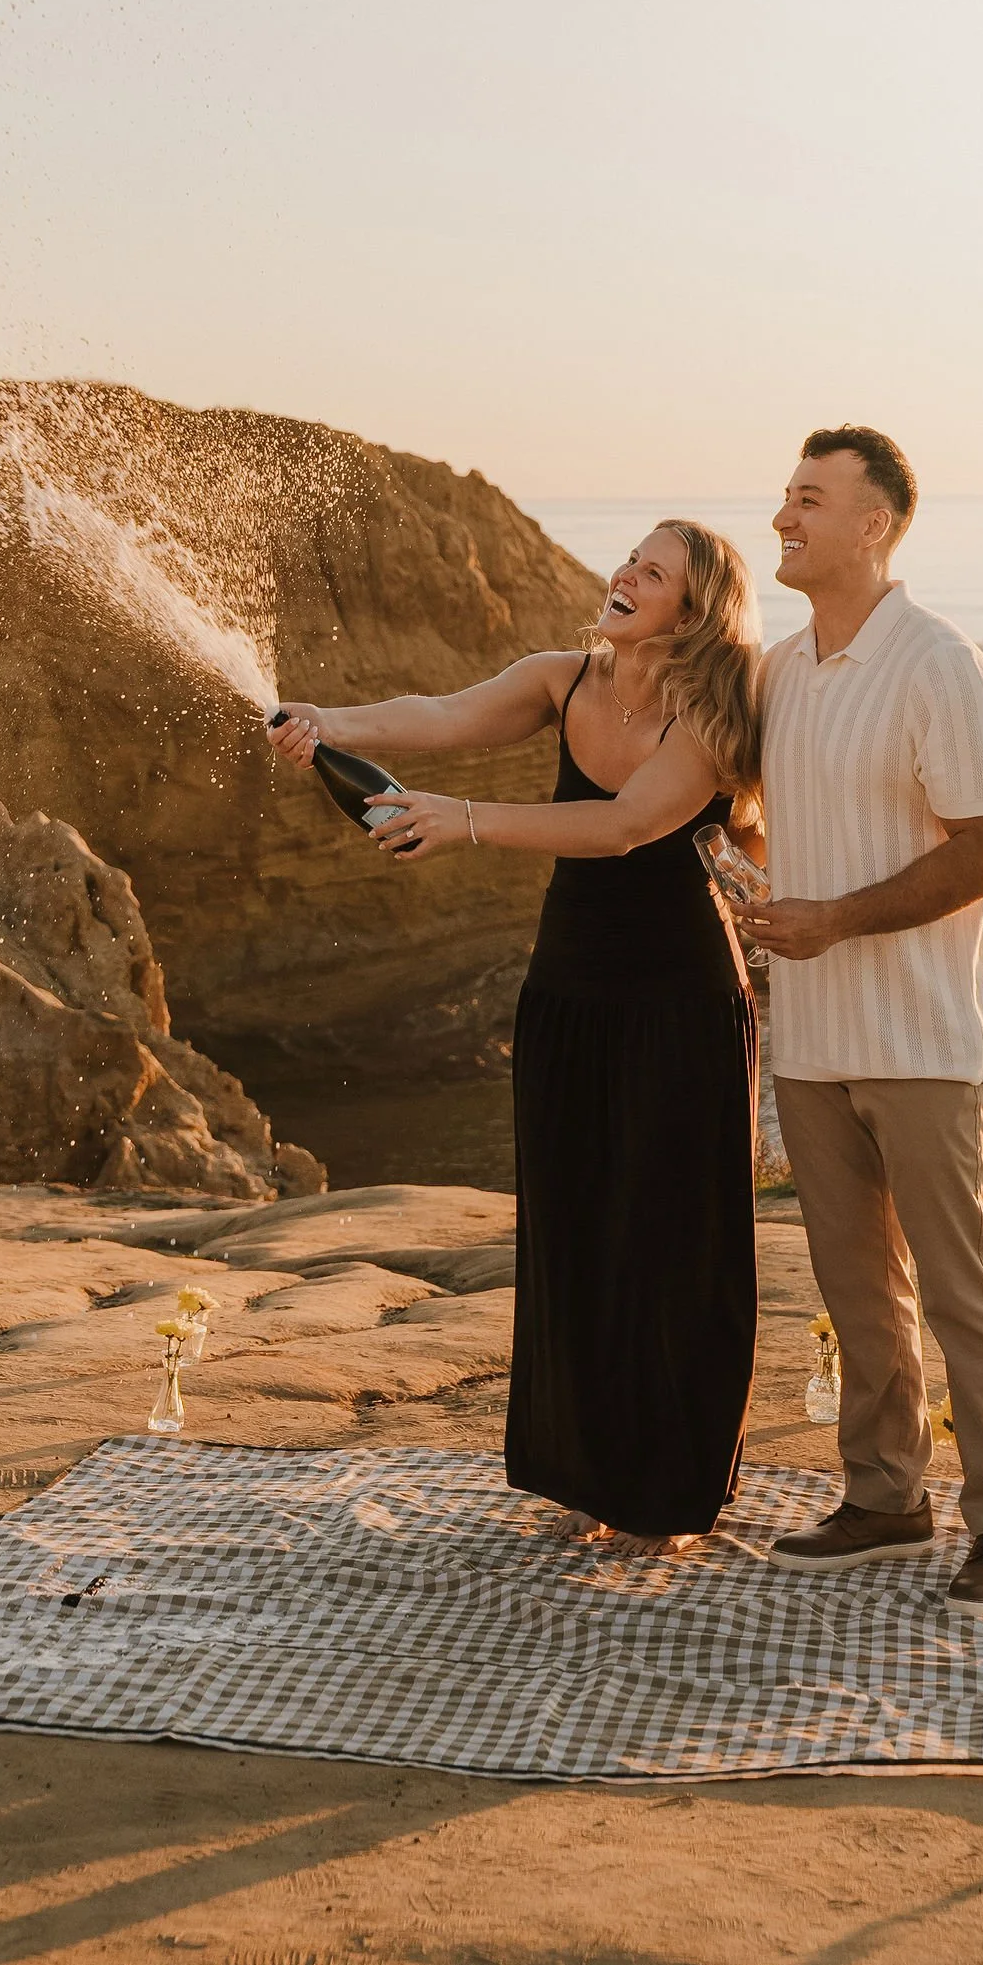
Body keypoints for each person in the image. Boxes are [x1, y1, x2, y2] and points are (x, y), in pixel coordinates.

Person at [268, 521, 762, 1547]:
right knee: (573, 1225)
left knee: (667, 1238)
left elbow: (626, 823)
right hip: (567, 987)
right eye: (630, 556)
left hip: (678, 996)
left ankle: (665, 1496)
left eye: (653, 571)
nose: (624, 574)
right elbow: (442, 713)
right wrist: (327, 717)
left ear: (695, 607)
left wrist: (464, 819)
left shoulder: (715, 706)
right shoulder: (562, 676)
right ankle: (583, 1477)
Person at [738, 425, 983, 1617]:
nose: (783, 516)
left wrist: (838, 918)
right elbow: (772, 816)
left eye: (808, 499)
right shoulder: (776, 670)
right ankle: (881, 1495)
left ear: (873, 524)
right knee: (857, 1288)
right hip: (812, 1035)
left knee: (963, 1285)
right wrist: (749, 872)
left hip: (926, 1036)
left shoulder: (941, 665)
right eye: (783, 496)